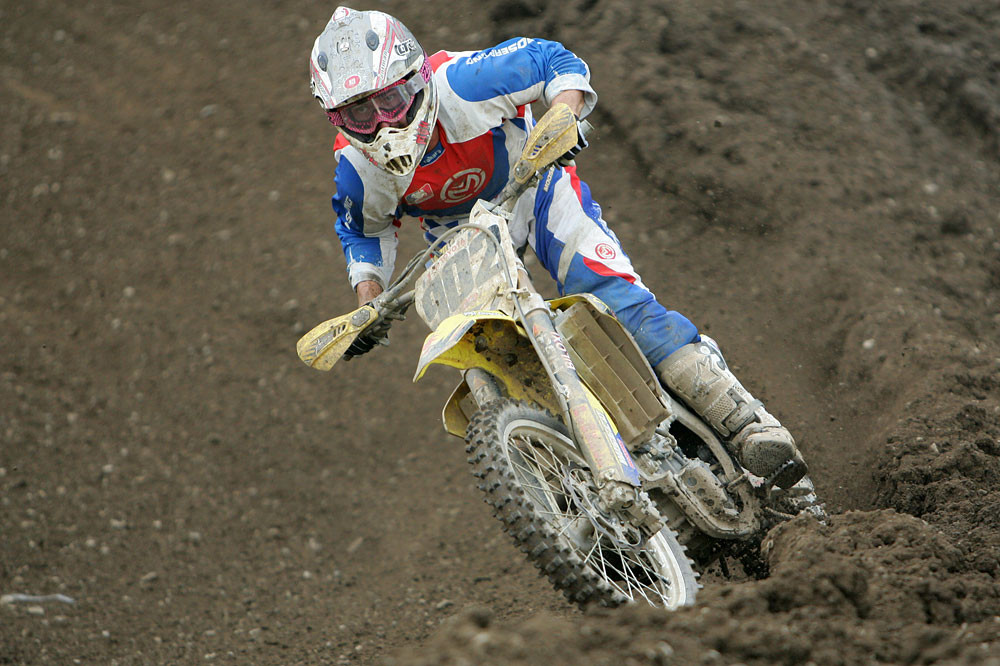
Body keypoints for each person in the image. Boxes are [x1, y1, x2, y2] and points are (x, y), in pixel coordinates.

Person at [308, 6, 806, 489]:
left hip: (536, 184)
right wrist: (368, 302)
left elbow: (552, 60)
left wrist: (562, 114)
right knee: (490, 353)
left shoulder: (463, 82)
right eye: (359, 112)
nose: (382, 124)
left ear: (415, 79)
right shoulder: (358, 167)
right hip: (458, 236)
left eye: (390, 101)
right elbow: (364, 230)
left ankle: (747, 423)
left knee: (612, 297)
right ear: (337, 118)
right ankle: (571, 489)